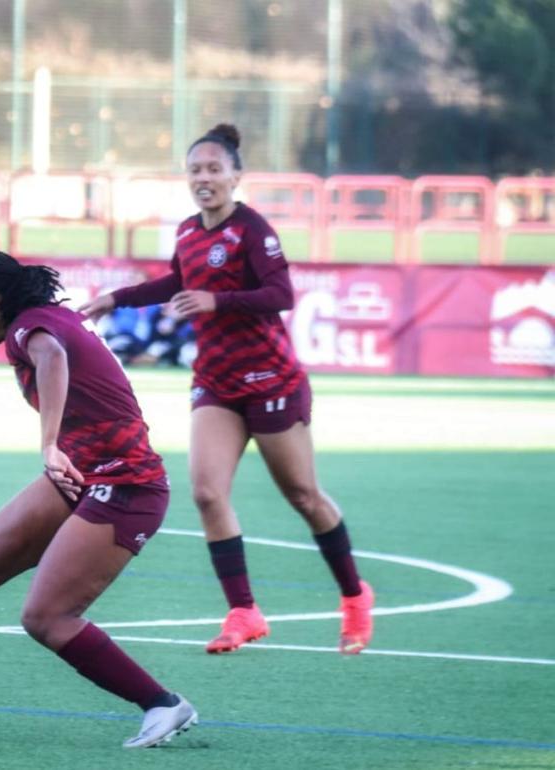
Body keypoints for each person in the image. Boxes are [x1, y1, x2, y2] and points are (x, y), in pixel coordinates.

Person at [0, 248, 197, 750]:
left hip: (127, 485)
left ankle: (162, 704)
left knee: (46, 617)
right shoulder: (41, 319)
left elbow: (52, 356)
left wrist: (48, 444)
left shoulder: (29, 330)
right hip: (82, 475)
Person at [78, 124, 374, 655]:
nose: (204, 178)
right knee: (207, 492)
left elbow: (280, 293)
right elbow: (176, 280)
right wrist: (115, 299)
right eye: (196, 170)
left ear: (237, 176)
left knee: (303, 496)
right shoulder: (190, 232)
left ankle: (354, 596)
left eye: (215, 169)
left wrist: (218, 301)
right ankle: (243, 611)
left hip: (270, 380)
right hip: (216, 381)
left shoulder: (252, 229)